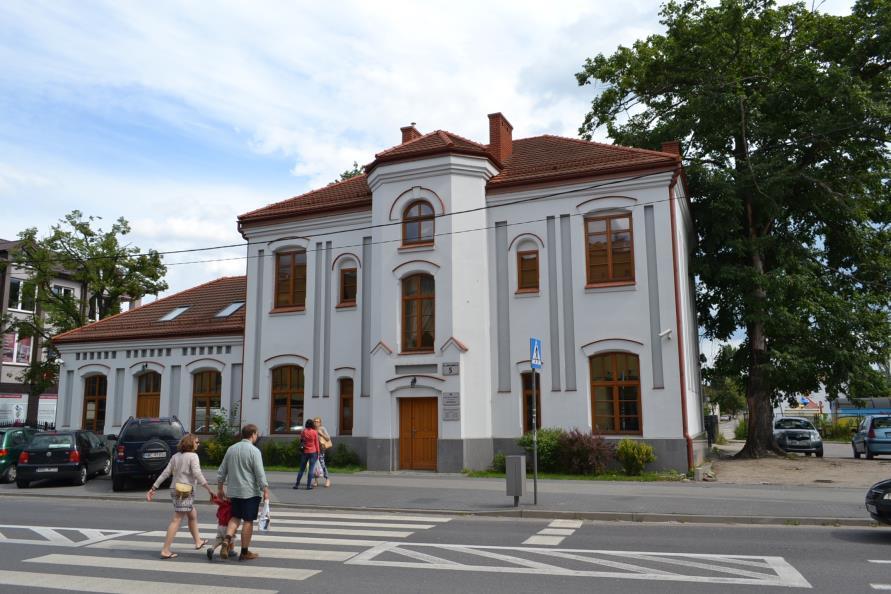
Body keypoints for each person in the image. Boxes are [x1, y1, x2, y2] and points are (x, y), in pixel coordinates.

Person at [146, 433, 214, 560]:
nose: (199, 444)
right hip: (184, 490)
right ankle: (165, 550)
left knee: (192, 514)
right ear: (190, 443)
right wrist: (209, 489)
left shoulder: (176, 456)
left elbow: (165, 473)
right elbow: (197, 474)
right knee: (177, 519)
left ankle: (198, 541)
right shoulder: (193, 456)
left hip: (175, 489)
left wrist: (153, 487)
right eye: (197, 442)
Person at [217, 424, 270, 561]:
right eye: (256, 434)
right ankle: (244, 551)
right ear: (252, 434)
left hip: (234, 491)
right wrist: (265, 489)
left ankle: (227, 540)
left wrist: (220, 487)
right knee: (248, 520)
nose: (257, 436)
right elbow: (259, 473)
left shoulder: (231, 449)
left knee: (235, 516)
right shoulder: (254, 451)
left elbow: (222, 470)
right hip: (250, 492)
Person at [206, 493, 237, 561]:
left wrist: (213, 496)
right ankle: (231, 551)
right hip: (228, 526)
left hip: (220, 525)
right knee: (231, 538)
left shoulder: (223, 503)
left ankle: (212, 548)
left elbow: (216, 500)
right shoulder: (233, 506)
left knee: (219, 538)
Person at [293, 418, 319, 490]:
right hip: (313, 452)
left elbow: (301, 440)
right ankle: (308, 486)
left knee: (301, 469)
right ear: (312, 425)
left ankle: (297, 484)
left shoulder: (303, 432)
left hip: (305, 452)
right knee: (311, 469)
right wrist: (318, 452)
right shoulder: (314, 432)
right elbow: (316, 443)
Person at [313, 417, 332, 488]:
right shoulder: (312, 429)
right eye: (314, 421)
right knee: (314, 465)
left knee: (322, 463)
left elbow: (328, 438)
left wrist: (320, 433)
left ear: (320, 423)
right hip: (313, 449)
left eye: (317, 421)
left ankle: (327, 479)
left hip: (321, 450)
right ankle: (315, 480)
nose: (316, 423)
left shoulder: (322, 429)